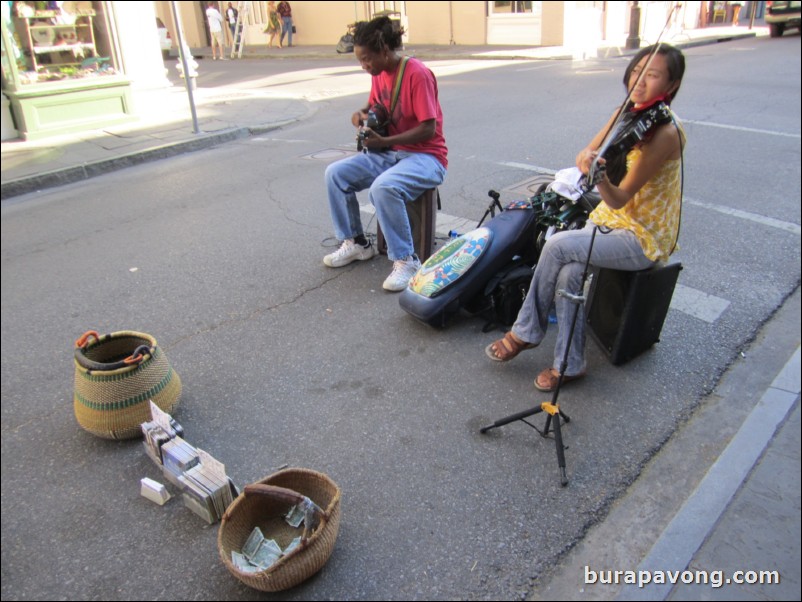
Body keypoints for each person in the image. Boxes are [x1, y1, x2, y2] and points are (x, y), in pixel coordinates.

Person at [485, 44, 686, 392]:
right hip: (608, 220)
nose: (639, 81)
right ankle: (570, 364)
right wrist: (586, 159)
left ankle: (526, 331)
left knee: (559, 245)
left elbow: (621, 198)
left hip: (642, 236)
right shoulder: (627, 112)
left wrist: (602, 178)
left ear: (670, 85)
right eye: (637, 71)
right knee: (569, 273)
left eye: (652, 75)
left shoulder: (666, 133)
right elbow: (590, 151)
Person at [322, 16, 448, 292]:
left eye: (367, 59)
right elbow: (374, 106)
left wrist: (385, 140)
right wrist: (361, 114)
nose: (364, 66)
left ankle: (406, 260)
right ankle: (355, 242)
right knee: (335, 174)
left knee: (383, 187)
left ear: (384, 51)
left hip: (427, 157)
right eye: (360, 61)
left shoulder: (417, 74)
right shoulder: (380, 75)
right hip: (391, 152)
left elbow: (428, 129)